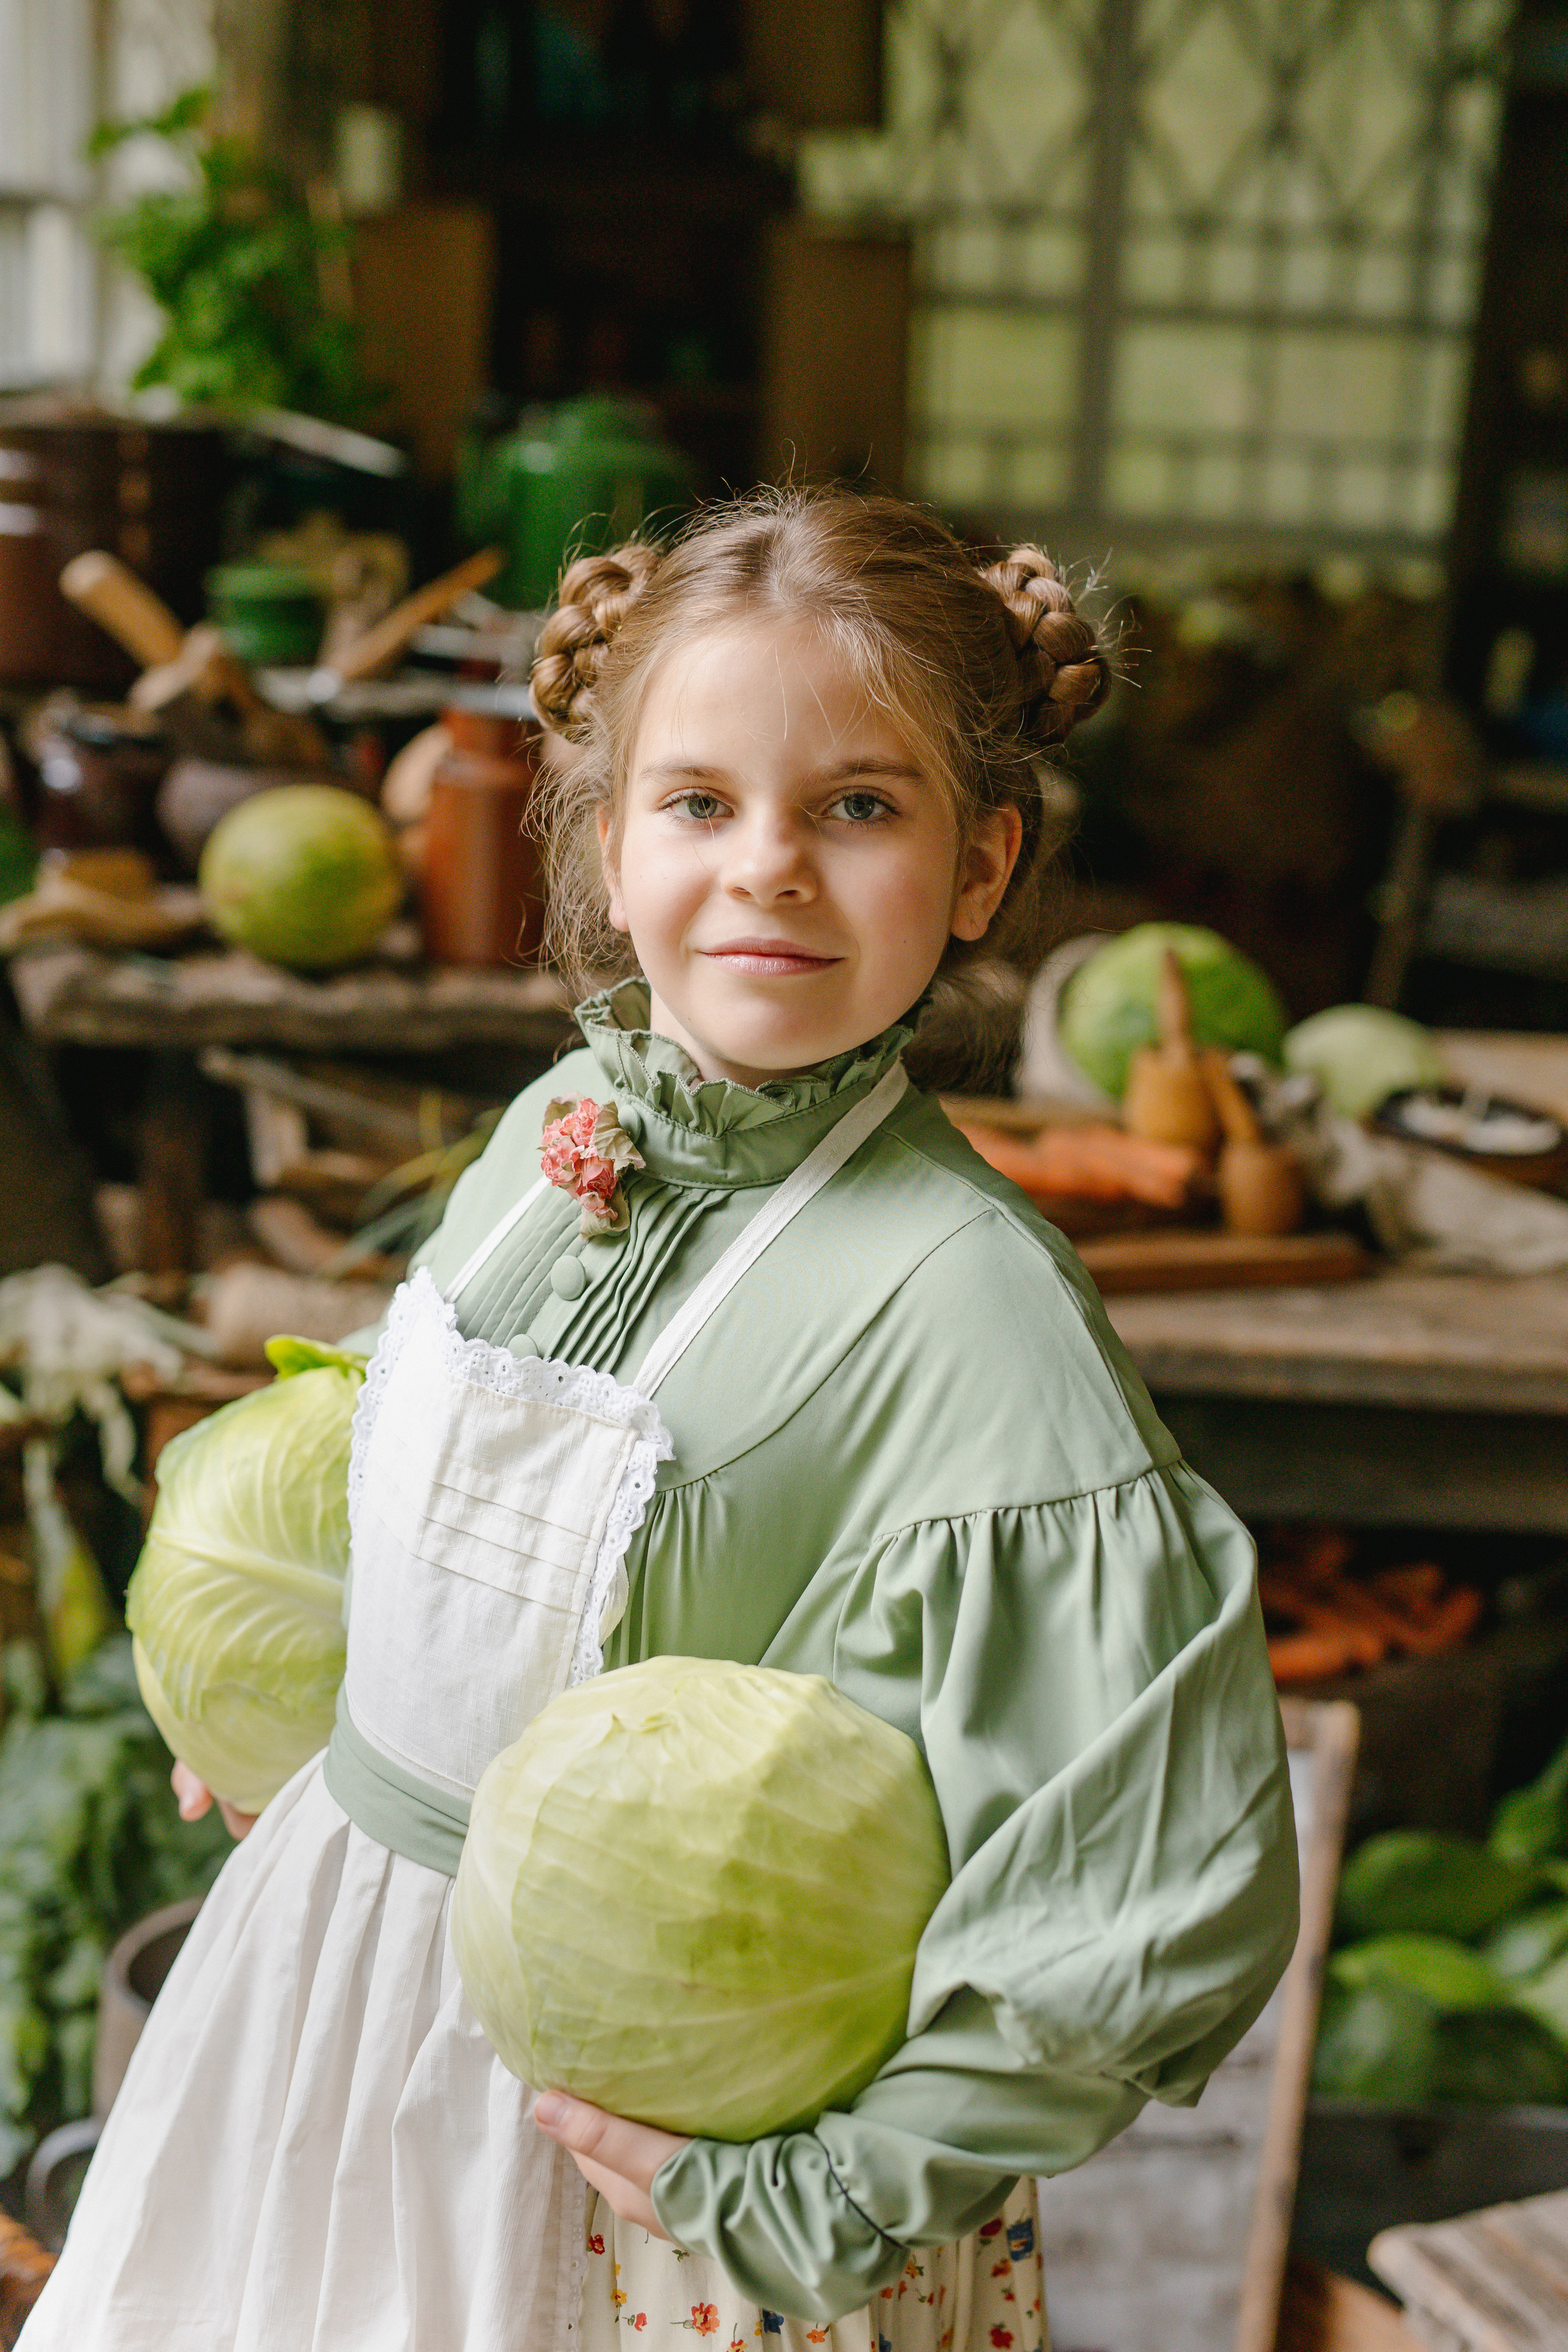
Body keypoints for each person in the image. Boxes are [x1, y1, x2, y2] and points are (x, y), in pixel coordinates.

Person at [23, 489, 1297, 2352]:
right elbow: (433, 1502)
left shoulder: (975, 1309)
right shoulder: (556, 1145)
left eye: (860, 806)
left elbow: (1153, 1870)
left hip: (655, 2165)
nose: (770, 864)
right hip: (336, 2021)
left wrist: (816, 2194)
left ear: (981, 869)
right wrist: (334, 1711)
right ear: (611, 849)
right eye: (701, 802)